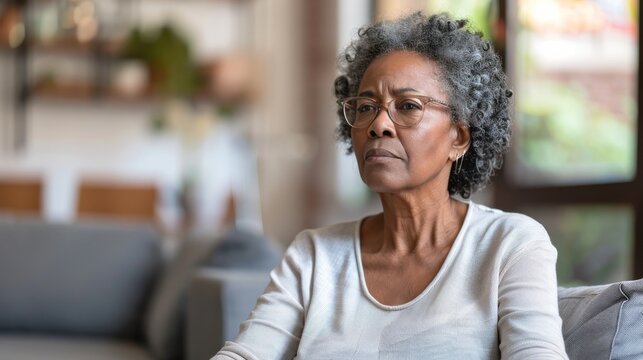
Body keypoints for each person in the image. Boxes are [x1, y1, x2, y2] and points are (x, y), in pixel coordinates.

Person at [213, 12, 568, 359]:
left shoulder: (509, 245)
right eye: (366, 106)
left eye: (408, 106)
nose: (378, 124)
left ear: (459, 138)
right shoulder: (315, 256)